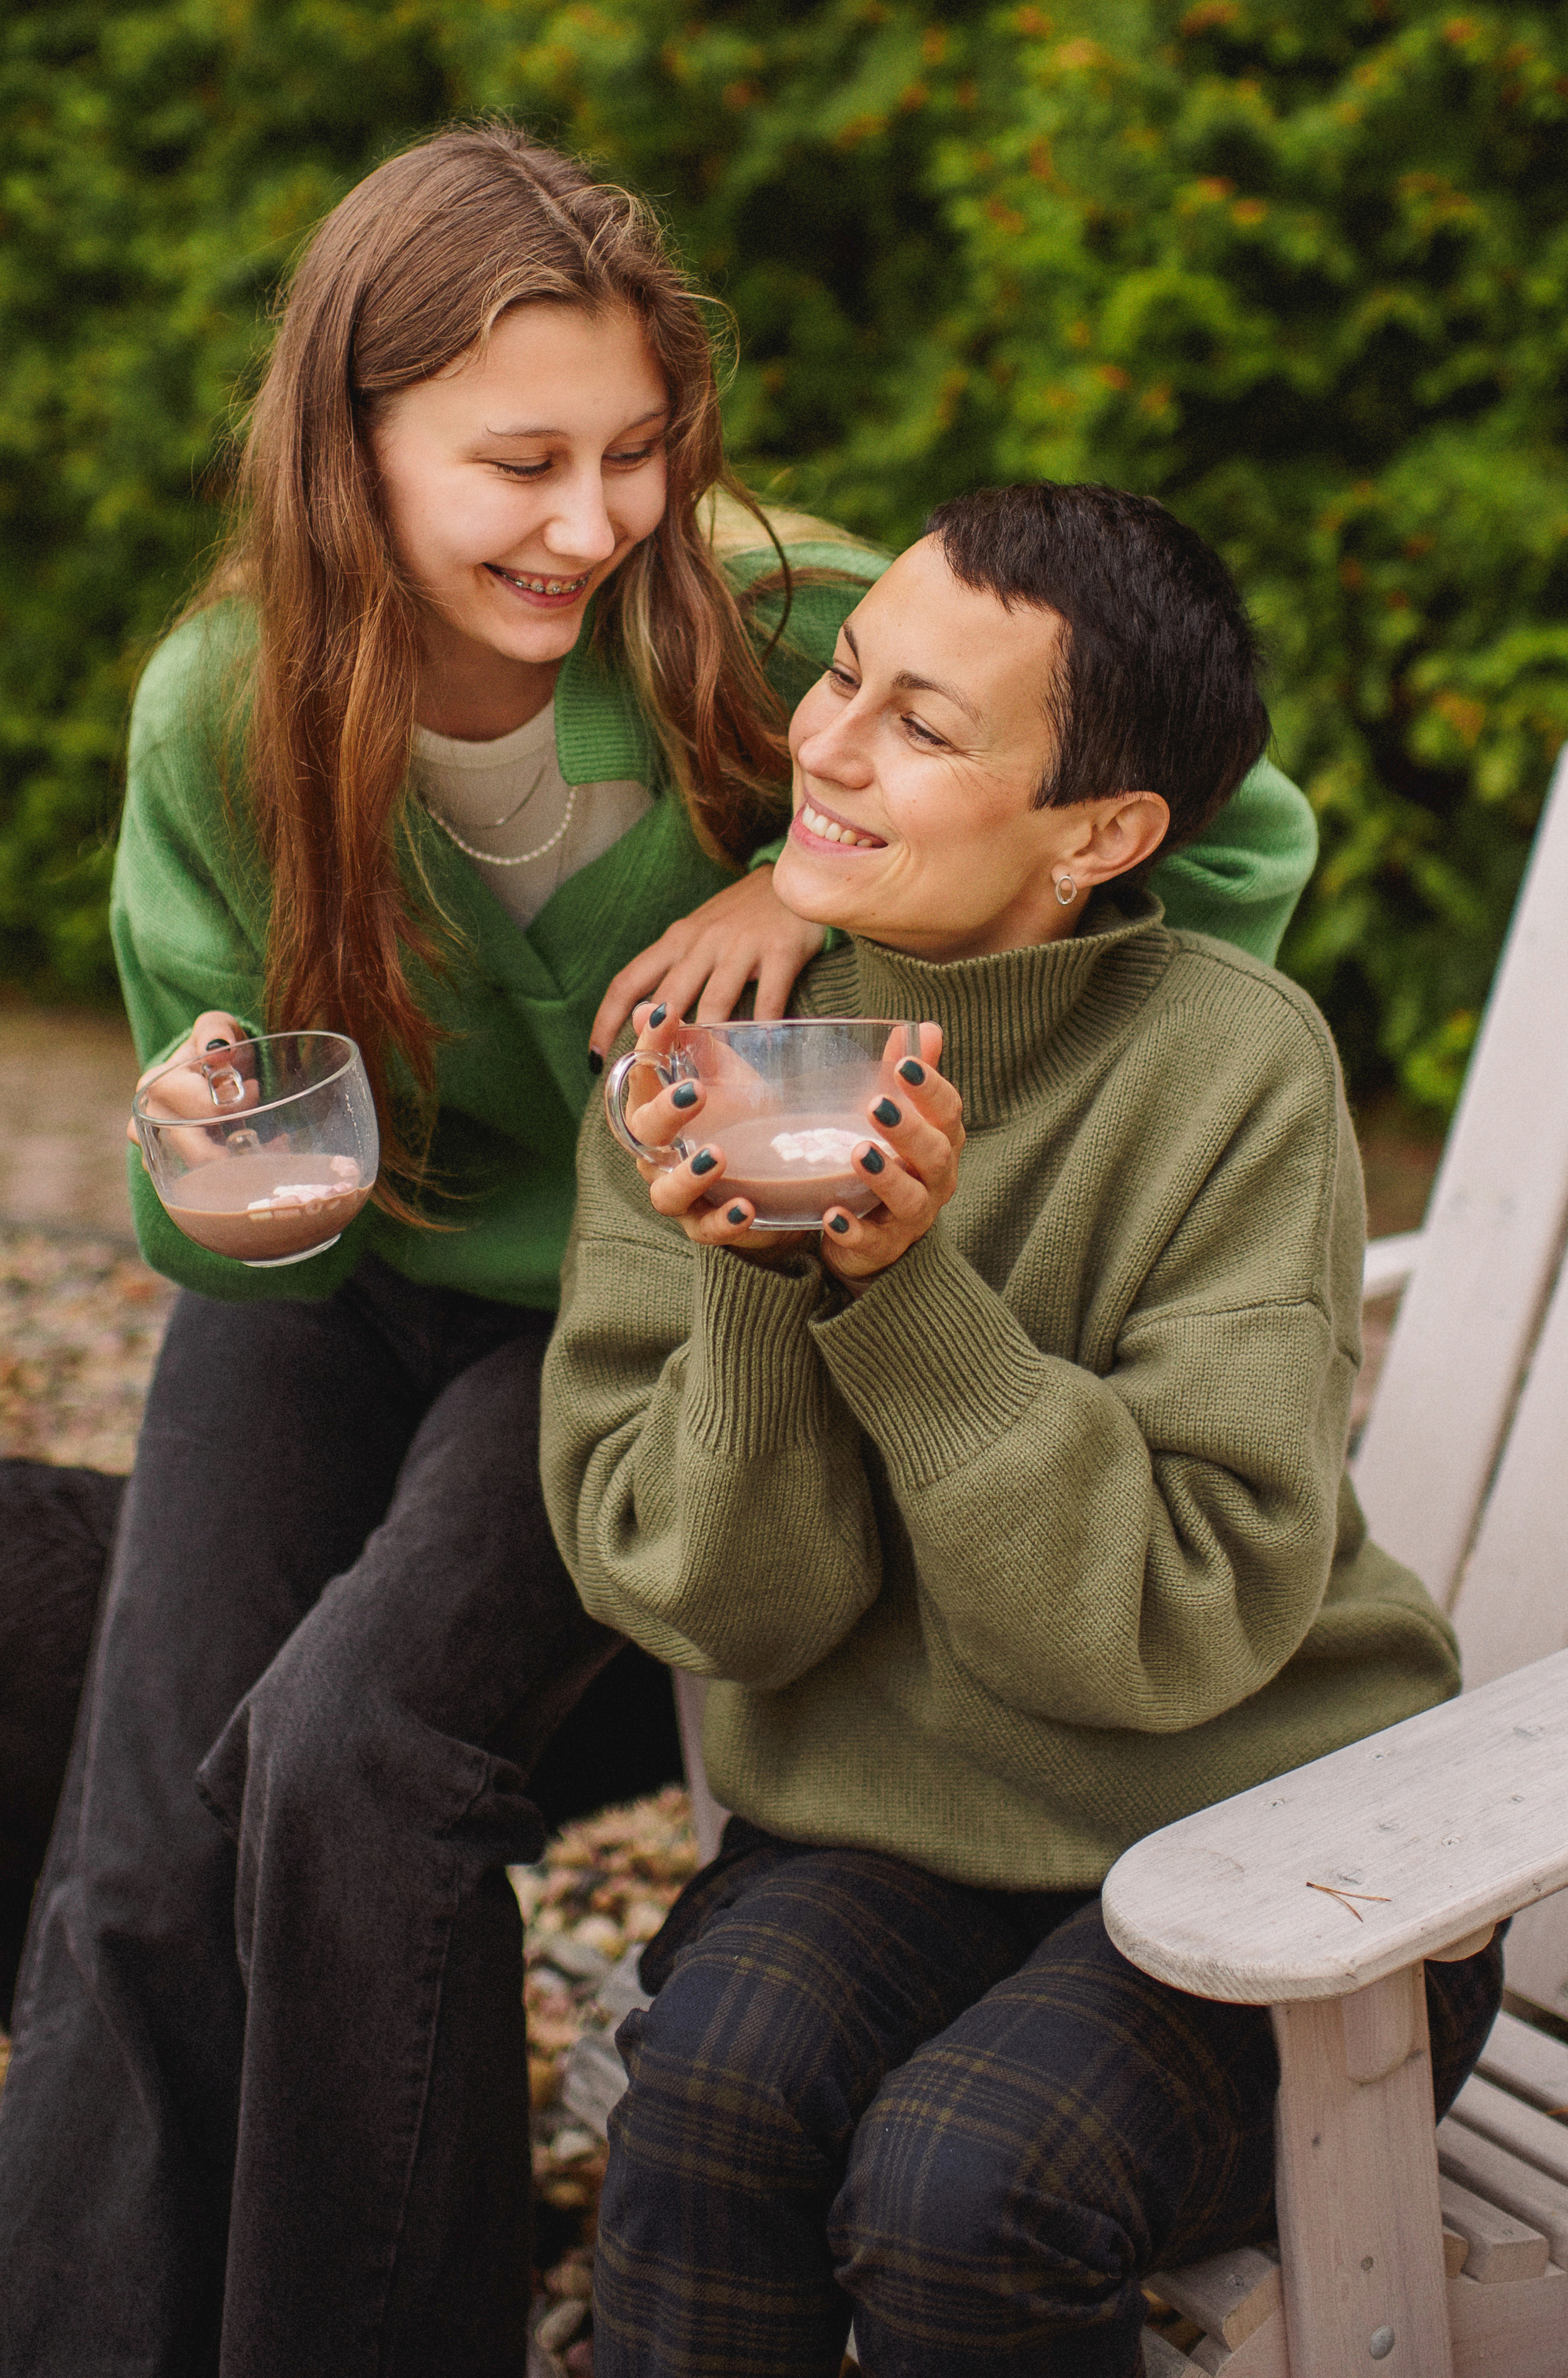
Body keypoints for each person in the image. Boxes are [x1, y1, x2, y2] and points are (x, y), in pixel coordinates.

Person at [0, 121, 1314, 2377]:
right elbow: (259, 1234)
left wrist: (802, 891)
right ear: (353, 443)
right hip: (333, 1291)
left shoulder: (769, 618)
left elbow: (1220, 816)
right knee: (135, 1827)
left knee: (347, 1745)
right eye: (518, 461)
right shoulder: (227, 712)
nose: (592, 523)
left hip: (607, 1314)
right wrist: (211, 1160)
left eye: (633, 451)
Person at [539, 481, 1504, 2378]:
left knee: (966, 2187)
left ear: (1106, 833)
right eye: (848, 679)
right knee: (711, 2104)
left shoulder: (1232, 1066)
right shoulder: (696, 1063)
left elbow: (1157, 1630)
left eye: (926, 723)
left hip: (1283, 1835)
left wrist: (907, 1296)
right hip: (896, 1825)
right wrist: (748, 1260)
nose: (826, 741)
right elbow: (733, 1614)